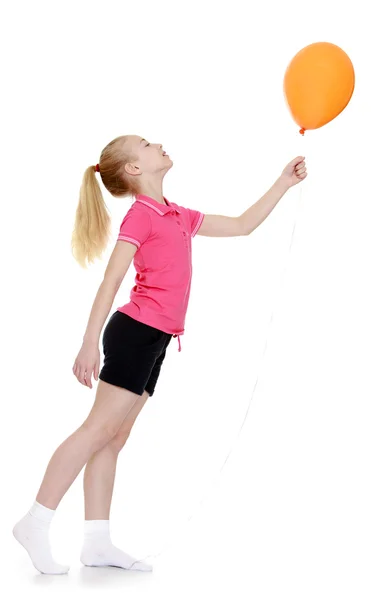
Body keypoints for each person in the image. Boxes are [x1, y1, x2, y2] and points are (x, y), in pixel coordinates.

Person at [12, 134, 307, 575]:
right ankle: (36, 521)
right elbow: (110, 282)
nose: (159, 145)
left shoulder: (177, 215)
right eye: (148, 144)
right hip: (133, 333)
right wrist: (89, 341)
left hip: (157, 339)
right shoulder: (140, 216)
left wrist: (283, 183)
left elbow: (243, 224)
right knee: (97, 430)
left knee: (114, 437)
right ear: (134, 169)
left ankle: (96, 542)